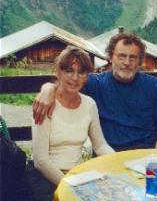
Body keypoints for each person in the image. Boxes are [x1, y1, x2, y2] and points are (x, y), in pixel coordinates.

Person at [33, 32, 157, 152]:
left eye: (133, 57)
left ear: (140, 61)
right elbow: (68, 82)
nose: (127, 62)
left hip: (144, 155)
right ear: (110, 57)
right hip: (107, 155)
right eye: (121, 56)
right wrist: (48, 88)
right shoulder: (95, 83)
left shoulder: (153, 85)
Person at [29, 46, 114, 201]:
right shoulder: (46, 102)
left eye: (81, 72)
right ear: (58, 72)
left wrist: (118, 160)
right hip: (47, 179)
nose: (75, 78)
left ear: (87, 76)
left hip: (77, 174)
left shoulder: (89, 104)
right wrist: (70, 185)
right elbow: (40, 161)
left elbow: (100, 145)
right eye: (69, 71)